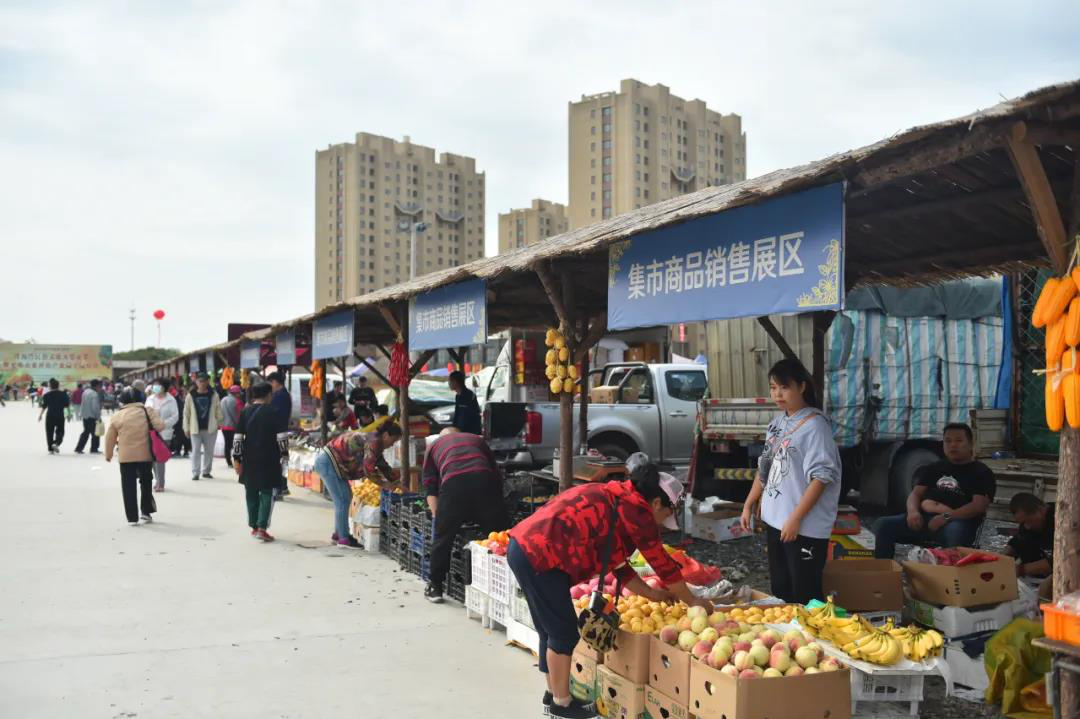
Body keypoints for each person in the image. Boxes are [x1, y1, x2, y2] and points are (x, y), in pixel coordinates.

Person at [508, 463, 711, 719]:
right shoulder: (639, 513)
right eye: (667, 514)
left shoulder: (618, 499)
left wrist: (654, 595)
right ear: (657, 503)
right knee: (562, 632)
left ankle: (553, 695)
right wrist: (694, 601)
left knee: (550, 629)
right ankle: (561, 706)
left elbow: (619, 567)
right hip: (541, 557)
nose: (662, 524)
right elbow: (664, 566)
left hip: (525, 549)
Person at [739, 359, 842, 605]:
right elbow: (764, 467)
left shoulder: (816, 426)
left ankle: (813, 641)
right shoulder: (777, 424)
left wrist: (796, 518)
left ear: (802, 387)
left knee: (805, 593)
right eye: (773, 387)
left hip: (803, 527)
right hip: (777, 522)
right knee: (781, 592)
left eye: (784, 387)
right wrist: (749, 502)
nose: (777, 394)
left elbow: (821, 478)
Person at [872, 423, 995, 560]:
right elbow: (915, 494)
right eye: (948, 441)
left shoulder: (981, 472)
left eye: (959, 441)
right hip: (923, 520)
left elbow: (977, 507)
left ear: (971, 443)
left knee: (956, 532)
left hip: (956, 522)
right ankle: (884, 570)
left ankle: (948, 576)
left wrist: (946, 517)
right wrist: (913, 512)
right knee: (883, 524)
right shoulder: (936, 467)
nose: (953, 445)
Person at [423, 427, 511, 603]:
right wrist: (494, 509)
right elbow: (495, 473)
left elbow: (430, 487)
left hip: (454, 482)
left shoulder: (433, 446)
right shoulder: (476, 439)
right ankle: (507, 583)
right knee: (499, 535)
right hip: (484, 479)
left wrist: (438, 518)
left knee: (443, 538)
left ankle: (435, 587)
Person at [316, 423, 402, 548]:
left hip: (332, 464)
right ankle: (343, 539)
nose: (392, 444)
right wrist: (384, 484)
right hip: (328, 463)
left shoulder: (375, 442)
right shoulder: (374, 442)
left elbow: (381, 463)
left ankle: (339, 534)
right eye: (393, 440)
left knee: (345, 498)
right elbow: (369, 469)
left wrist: (396, 482)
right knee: (342, 500)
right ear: (385, 435)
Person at [232, 383, 289, 542]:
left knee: (251, 491)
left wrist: (237, 458)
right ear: (268, 395)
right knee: (266, 492)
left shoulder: (245, 411)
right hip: (269, 458)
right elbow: (282, 437)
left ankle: (254, 526)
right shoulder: (274, 412)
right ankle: (262, 527)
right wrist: (284, 455)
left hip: (249, 458)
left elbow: (238, 437)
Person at [104, 388, 165, 525]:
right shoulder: (147, 411)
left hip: (126, 457)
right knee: (146, 481)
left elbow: (110, 438)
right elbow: (160, 426)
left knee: (128, 485)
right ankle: (146, 512)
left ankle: (132, 517)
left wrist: (108, 454)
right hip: (145, 455)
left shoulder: (117, 415)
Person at [1003, 493, 1055, 600]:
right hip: (1031, 580)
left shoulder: (1060, 520)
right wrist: (1000, 558)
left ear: (1041, 510)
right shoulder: (1028, 525)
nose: (1027, 526)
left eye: (1028, 521)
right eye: (1022, 523)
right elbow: (1018, 542)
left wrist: (1021, 570)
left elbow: (1058, 561)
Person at [183, 372, 223, 480]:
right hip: (195, 428)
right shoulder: (190, 395)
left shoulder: (214, 394)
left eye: (205, 381)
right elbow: (186, 413)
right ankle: (195, 473)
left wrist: (220, 423)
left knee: (209, 451)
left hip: (210, 427)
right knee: (196, 450)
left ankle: (206, 471)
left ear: (208, 381)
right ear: (196, 382)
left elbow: (218, 409)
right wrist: (186, 428)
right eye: (200, 381)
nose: (203, 383)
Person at [145, 379, 179, 491]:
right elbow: (145, 413)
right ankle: (158, 480)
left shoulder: (171, 400)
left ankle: (161, 483)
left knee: (160, 458)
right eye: (154, 385)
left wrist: (163, 424)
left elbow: (175, 417)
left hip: (164, 432)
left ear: (164, 387)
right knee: (153, 458)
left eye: (158, 386)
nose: (155, 388)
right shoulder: (150, 399)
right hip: (151, 432)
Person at [268, 371, 292, 497]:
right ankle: (282, 487)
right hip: (281, 432)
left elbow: (275, 414)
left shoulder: (280, 396)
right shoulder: (280, 394)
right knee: (281, 460)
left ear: (276, 382)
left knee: (278, 461)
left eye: (271, 382)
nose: (270, 385)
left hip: (279, 433)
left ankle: (279, 489)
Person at [38, 378, 69, 454]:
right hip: (60, 415)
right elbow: (66, 405)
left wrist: (40, 415)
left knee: (49, 432)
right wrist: (69, 415)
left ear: (50, 386)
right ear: (58, 386)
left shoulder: (46, 395)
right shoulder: (63, 394)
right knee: (60, 431)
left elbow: (44, 406)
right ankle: (56, 443)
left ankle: (50, 450)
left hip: (50, 415)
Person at [74, 379, 103, 454]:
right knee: (95, 433)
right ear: (96, 386)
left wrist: (81, 414)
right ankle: (94, 449)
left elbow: (82, 404)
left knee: (86, 432)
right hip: (92, 417)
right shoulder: (94, 394)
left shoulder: (85, 392)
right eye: (99, 386)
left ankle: (79, 448)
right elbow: (95, 407)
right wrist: (98, 417)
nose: (100, 388)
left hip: (85, 416)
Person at [449, 370, 481, 434]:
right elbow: (457, 415)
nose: (449, 383)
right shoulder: (458, 396)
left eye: (450, 381)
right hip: (461, 432)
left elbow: (466, 418)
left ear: (455, 382)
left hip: (469, 433)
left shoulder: (468, 395)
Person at [220, 385, 245, 468]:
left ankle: (228, 461)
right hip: (234, 426)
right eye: (239, 393)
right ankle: (237, 461)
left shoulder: (223, 400)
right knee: (236, 444)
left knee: (227, 444)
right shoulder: (237, 401)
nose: (240, 395)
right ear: (236, 393)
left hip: (224, 426)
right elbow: (239, 415)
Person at [172, 384, 190, 456]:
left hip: (186, 419)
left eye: (185, 390)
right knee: (178, 436)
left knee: (186, 436)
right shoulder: (176, 398)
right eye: (182, 391)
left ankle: (186, 451)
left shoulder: (189, 398)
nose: (183, 392)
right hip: (179, 419)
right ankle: (178, 450)